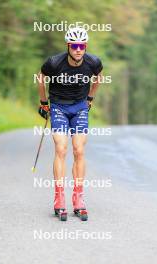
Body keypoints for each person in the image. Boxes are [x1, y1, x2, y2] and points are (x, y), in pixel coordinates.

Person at [38, 27, 103, 221]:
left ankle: (78, 198)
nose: (78, 49)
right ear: (68, 46)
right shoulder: (54, 63)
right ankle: (59, 198)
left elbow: (98, 77)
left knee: (79, 150)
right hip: (58, 106)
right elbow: (41, 79)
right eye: (74, 45)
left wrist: (90, 98)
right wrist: (43, 103)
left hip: (80, 107)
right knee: (61, 148)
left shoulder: (93, 62)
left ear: (85, 47)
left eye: (81, 45)